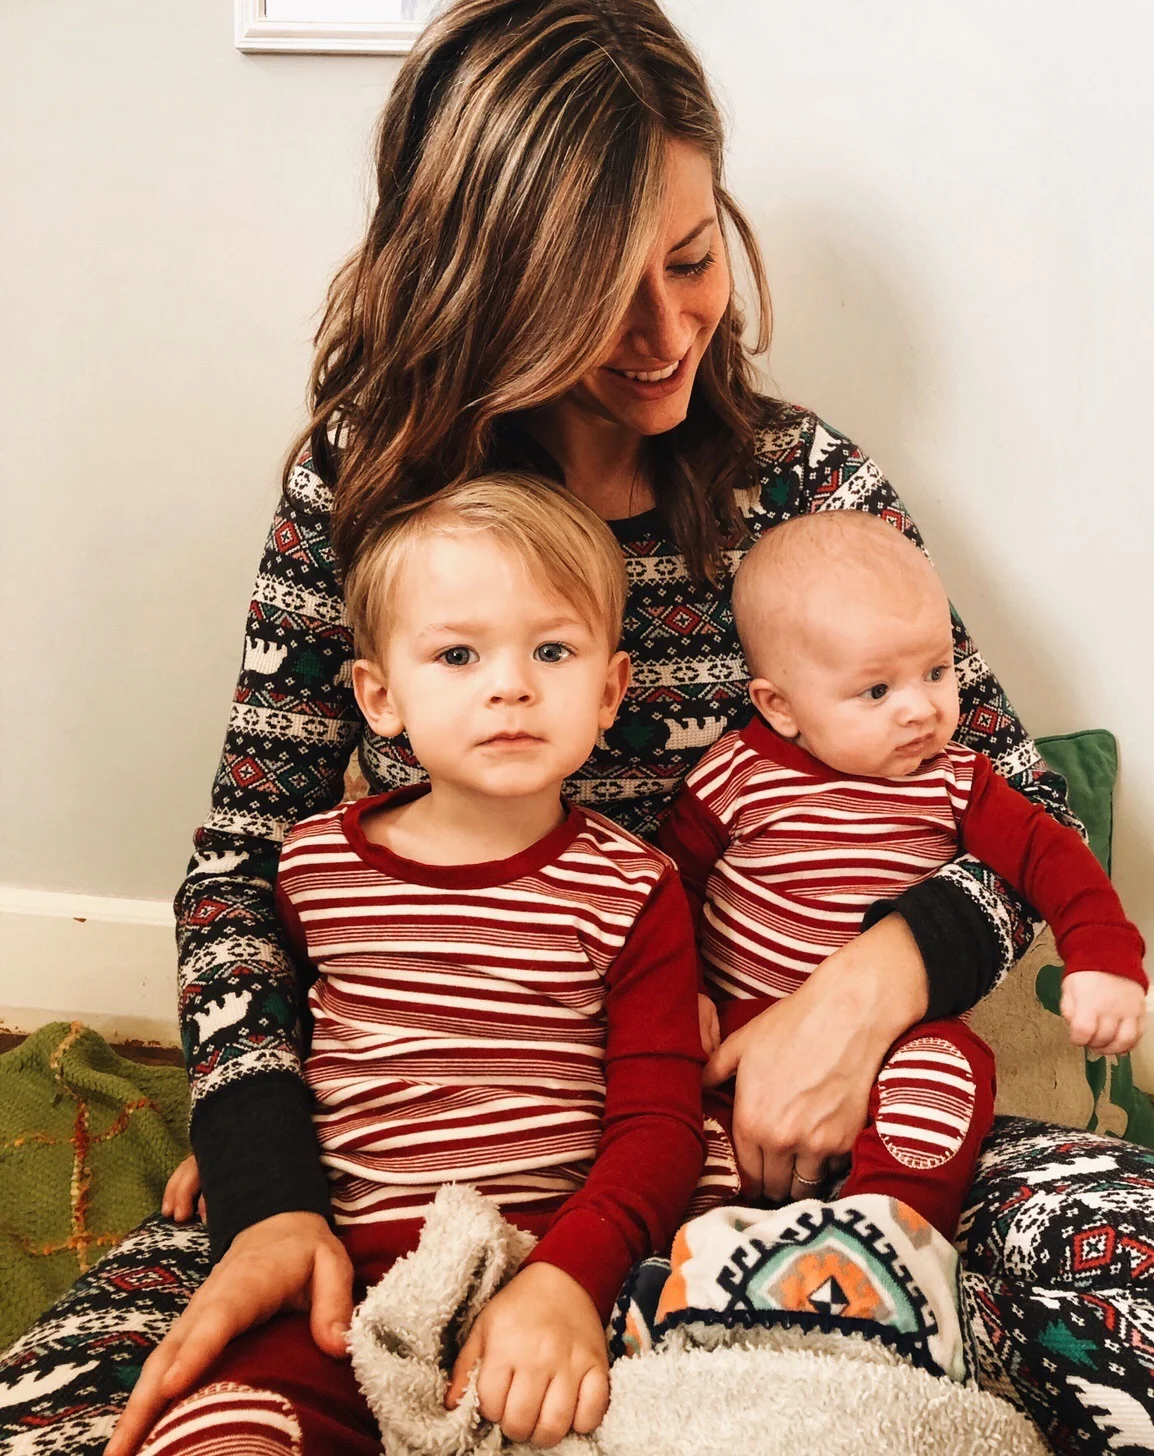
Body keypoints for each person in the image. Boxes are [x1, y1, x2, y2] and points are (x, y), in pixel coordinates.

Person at [3, 0, 1154, 1456]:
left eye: (692, 259)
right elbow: (242, 864)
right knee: (101, 1418)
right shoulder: (368, 489)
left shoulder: (801, 488)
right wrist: (264, 1170)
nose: (664, 335)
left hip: (822, 1147)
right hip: (442, 1161)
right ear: (486, 287)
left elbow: (1016, 800)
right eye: (594, 299)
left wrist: (861, 996)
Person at [133, 474, 736, 1454]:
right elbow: (289, 1034)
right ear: (380, 697)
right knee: (218, 1425)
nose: (511, 685)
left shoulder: (635, 890)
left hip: (554, 1269)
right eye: (458, 654)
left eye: (552, 651)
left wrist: (567, 1279)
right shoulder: (315, 866)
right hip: (347, 1278)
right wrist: (250, 1140)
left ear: (610, 691)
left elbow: (660, 1124)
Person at [660, 509, 1147, 1265]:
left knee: (949, 1066)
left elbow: (1051, 855)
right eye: (876, 690)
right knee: (677, 1120)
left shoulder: (957, 780)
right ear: (779, 706)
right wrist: (684, 993)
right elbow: (668, 889)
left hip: (900, 1042)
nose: (921, 709)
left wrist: (1104, 956)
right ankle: (696, 1258)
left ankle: (887, 1247)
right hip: (740, 1034)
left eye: (936, 672)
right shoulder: (735, 775)